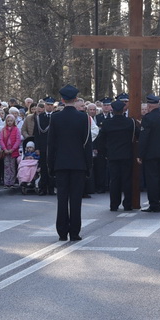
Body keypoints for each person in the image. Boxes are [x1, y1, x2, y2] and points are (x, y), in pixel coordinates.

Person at [47, 84, 93, 241]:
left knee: (62, 199)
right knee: (75, 200)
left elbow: (51, 144)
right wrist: (89, 166)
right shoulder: (83, 118)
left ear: (62, 100)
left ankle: (62, 232)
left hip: (60, 164)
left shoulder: (55, 117)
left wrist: (50, 165)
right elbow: (87, 144)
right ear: (76, 99)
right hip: (78, 164)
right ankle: (74, 232)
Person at [96, 99, 138, 211]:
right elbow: (138, 135)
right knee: (127, 180)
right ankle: (127, 204)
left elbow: (101, 140)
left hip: (112, 155)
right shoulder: (130, 122)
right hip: (126, 155)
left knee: (114, 180)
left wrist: (104, 153)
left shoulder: (107, 123)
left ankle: (114, 204)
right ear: (123, 110)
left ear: (112, 110)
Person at [35, 97, 56, 195]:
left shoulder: (56, 116)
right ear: (45, 105)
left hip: (53, 146)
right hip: (43, 146)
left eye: (51, 105)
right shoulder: (40, 117)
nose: (49, 107)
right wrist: (37, 147)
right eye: (48, 105)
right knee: (43, 168)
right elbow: (36, 133)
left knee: (52, 167)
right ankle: (43, 188)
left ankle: (51, 188)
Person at [0, 113, 22, 187]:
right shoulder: (3, 130)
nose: (9, 122)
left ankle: (12, 182)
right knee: (6, 166)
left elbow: (18, 140)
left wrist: (13, 149)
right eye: (8, 121)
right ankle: (6, 182)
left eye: (11, 121)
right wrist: (4, 149)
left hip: (13, 151)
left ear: (13, 121)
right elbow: (1, 140)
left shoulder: (16, 129)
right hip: (6, 151)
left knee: (12, 167)